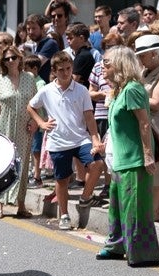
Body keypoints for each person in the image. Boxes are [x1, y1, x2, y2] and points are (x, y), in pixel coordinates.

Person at [96, 46, 159, 267]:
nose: (102, 67)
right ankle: (116, 246)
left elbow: (144, 123)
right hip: (119, 160)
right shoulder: (118, 91)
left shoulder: (132, 89)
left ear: (120, 64)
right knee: (116, 205)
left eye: (106, 63)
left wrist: (148, 155)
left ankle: (142, 254)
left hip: (134, 160)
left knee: (135, 208)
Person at [27, 52, 105, 230]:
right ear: (54, 71)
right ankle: (64, 215)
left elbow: (89, 116)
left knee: (97, 165)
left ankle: (85, 197)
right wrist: (41, 123)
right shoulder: (46, 90)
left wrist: (94, 138)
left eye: (68, 69)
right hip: (58, 142)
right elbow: (31, 106)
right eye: (61, 70)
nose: (65, 73)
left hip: (80, 139)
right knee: (62, 181)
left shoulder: (82, 90)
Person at [0, 45, 38, 218]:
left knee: (23, 165)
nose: (11, 61)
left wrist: (35, 120)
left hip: (25, 127)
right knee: (3, 165)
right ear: (3, 61)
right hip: (4, 125)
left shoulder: (30, 78)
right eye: (7, 59)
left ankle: (21, 204)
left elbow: (36, 102)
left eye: (14, 57)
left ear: (20, 59)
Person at [135, 34, 159, 219]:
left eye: (142, 55)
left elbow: (157, 102)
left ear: (153, 54)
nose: (140, 58)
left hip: (155, 124)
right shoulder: (144, 73)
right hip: (142, 123)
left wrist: (133, 98)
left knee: (157, 168)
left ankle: (155, 210)